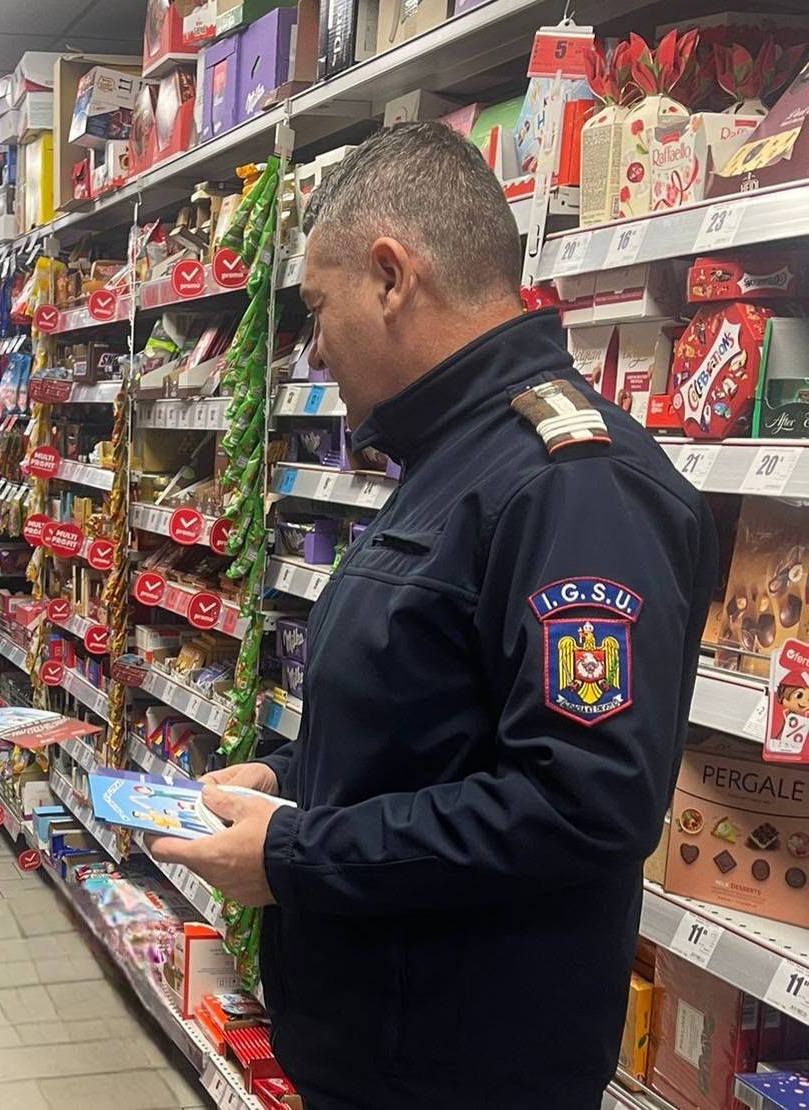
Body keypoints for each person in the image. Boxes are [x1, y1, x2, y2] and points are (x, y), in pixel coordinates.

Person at [151, 123, 717, 1110]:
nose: (314, 348)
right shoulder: (456, 462)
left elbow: (580, 803)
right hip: (384, 1056)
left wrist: (294, 854)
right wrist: (288, 780)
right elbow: (429, 724)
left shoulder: (572, 488)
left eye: (317, 310)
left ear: (390, 276)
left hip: (466, 1075)